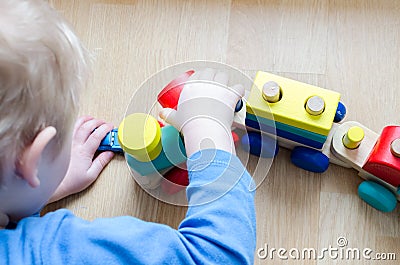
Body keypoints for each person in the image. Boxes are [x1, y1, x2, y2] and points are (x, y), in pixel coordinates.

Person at [0, 1, 256, 264]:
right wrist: (209, 130)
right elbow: (219, 256)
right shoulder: (58, 253)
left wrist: (32, 192)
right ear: (31, 160)